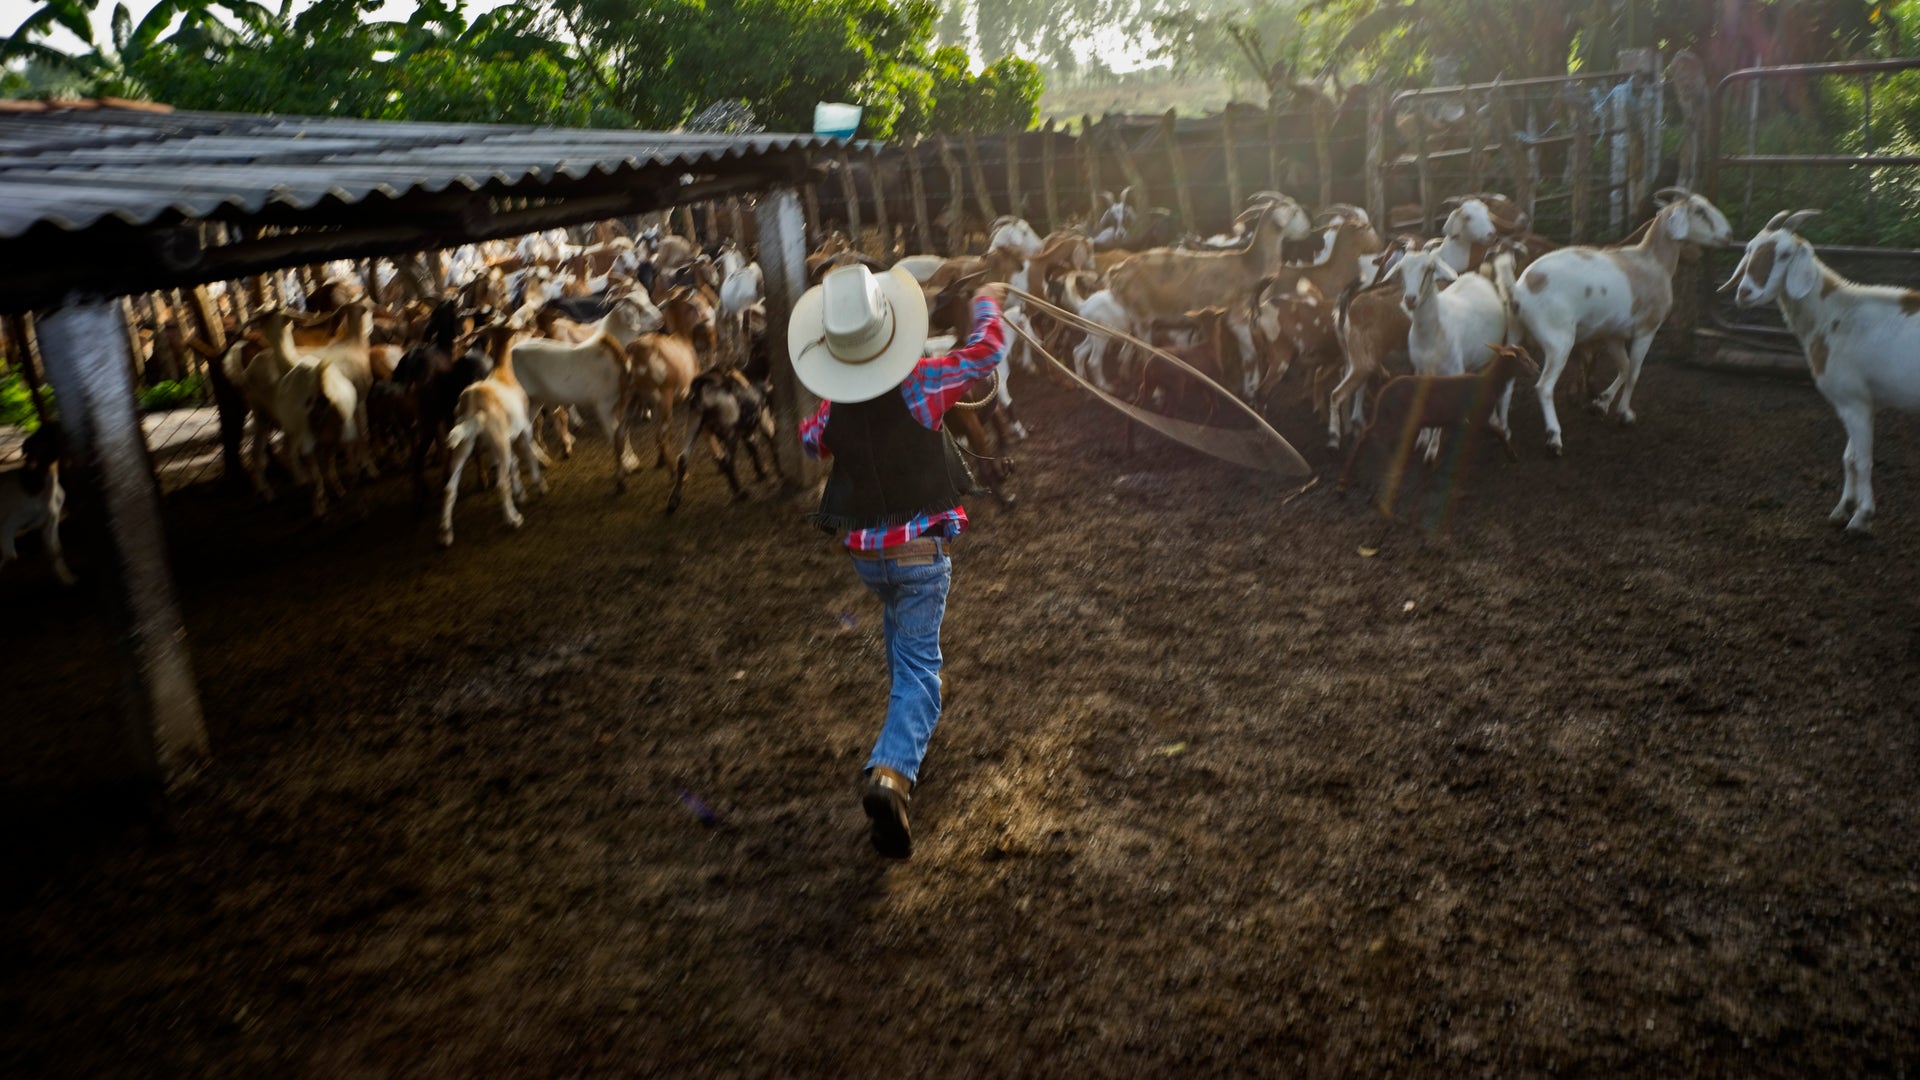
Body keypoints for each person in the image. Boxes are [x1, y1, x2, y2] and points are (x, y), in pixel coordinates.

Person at [789, 264, 1008, 859]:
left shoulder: (832, 411)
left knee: (902, 652)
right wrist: (987, 301)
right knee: (921, 674)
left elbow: (810, 439)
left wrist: (833, 391)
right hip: (919, 552)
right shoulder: (926, 382)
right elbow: (986, 351)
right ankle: (890, 776)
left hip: (869, 558)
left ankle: (894, 749)